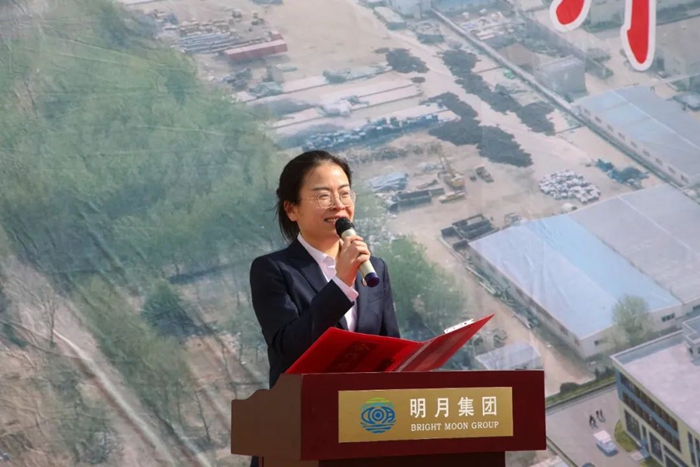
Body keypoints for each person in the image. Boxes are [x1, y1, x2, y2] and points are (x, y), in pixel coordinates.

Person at [248, 150, 401, 467]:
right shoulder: (273, 270)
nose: (338, 204)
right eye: (322, 196)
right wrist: (342, 283)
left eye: (344, 193)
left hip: (364, 428)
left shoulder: (375, 269)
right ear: (291, 209)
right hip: (299, 433)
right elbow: (289, 347)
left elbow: (391, 349)